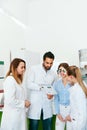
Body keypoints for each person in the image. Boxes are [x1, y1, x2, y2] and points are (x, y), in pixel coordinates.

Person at [26, 51, 57, 130]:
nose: (49, 65)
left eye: (51, 63)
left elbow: (53, 88)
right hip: (35, 103)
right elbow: (28, 84)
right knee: (34, 127)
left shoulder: (53, 74)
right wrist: (41, 87)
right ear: (43, 61)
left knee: (48, 127)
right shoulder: (34, 69)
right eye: (47, 63)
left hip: (47, 104)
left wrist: (52, 95)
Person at [1, 58, 31, 130]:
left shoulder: (17, 80)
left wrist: (25, 102)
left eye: (24, 67)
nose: (23, 69)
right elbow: (10, 100)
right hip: (12, 117)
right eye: (22, 67)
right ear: (15, 67)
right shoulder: (10, 80)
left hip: (18, 116)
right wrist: (24, 103)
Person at [65, 65, 87, 130]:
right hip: (76, 122)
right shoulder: (81, 85)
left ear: (71, 77)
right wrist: (71, 116)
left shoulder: (78, 91)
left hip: (79, 125)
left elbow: (82, 114)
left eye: (67, 76)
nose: (66, 78)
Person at [53, 63, 71, 130]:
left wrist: (72, 113)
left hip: (71, 108)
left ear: (67, 71)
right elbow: (56, 99)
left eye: (63, 70)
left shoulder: (72, 83)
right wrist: (58, 113)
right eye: (60, 70)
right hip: (60, 109)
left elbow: (75, 99)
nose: (61, 72)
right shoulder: (56, 84)